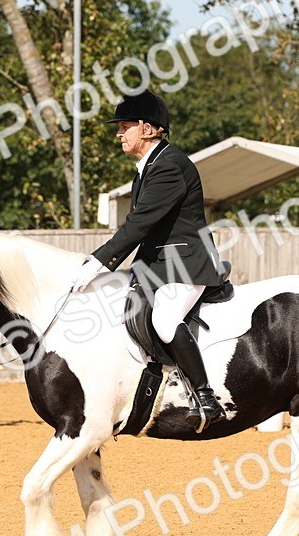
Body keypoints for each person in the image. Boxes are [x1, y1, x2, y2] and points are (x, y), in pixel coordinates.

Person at [70, 90, 226, 431]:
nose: (118, 133)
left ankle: (205, 397)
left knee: (166, 319)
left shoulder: (169, 166)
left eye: (124, 126)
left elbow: (139, 225)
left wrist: (98, 262)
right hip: (159, 264)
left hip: (187, 262)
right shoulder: (147, 168)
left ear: (148, 128)